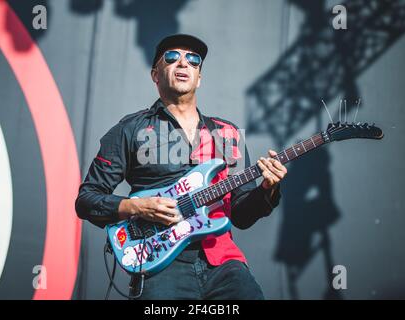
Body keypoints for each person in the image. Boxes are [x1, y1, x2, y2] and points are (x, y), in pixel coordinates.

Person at [75, 34, 288, 300]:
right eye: (172, 57)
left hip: (223, 262)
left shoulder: (227, 133)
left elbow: (242, 215)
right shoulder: (130, 129)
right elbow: (86, 200)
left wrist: (268, 188)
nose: (183, 63)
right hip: (159, 265)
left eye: (193, 60)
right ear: (155, 74)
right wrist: (136, 206)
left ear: (199, 78)